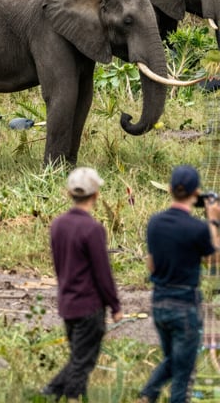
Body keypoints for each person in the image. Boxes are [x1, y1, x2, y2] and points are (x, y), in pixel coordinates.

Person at [137, 164, 220, 403]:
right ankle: (148, 396)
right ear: (196, 193)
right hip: (184, 305)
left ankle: (147, 396)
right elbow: (214, 260)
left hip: (159, 302)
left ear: (170, 189)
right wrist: (214, 221)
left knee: (174, 361)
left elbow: (151, 264)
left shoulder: (154, 223)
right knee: (183, 375)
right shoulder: (198, 229)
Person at [41, 167, 123, 403]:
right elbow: (102, 272)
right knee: (83, 361)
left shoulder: (58, 225)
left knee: (79, 357)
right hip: (89, 305)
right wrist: (115, 305)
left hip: (67, 303)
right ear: (96, 194)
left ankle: (52, 394)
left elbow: (59, 265)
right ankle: (60, 395)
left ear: (69, 193)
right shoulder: (93, 229)